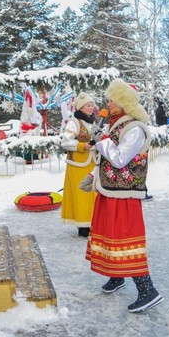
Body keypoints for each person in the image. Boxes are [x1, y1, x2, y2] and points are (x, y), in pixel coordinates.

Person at [85, 78, 163, 313]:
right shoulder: (115, 125)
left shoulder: (135, 128)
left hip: (125, 196)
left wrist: (102, 141)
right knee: (109, 235)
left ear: (123, 103)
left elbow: (119, 158)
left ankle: (147, 290)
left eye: (112, 100)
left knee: (126, 239)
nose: (107, 103)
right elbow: (106, 157)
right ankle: (117, 276)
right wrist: (92, 175)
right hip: (110, 191)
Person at [60, 92, 98, 237]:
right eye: (88, 105)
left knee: (92, 194)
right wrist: (83, 146)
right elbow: (66, 142)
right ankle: (83, 227)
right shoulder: (74, 122)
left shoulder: (92, 122)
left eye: (92, 105)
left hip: (91, 162)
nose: (90, 108)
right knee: (81, 195)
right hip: (78, 164)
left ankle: (91, 223)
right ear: (81, 107)